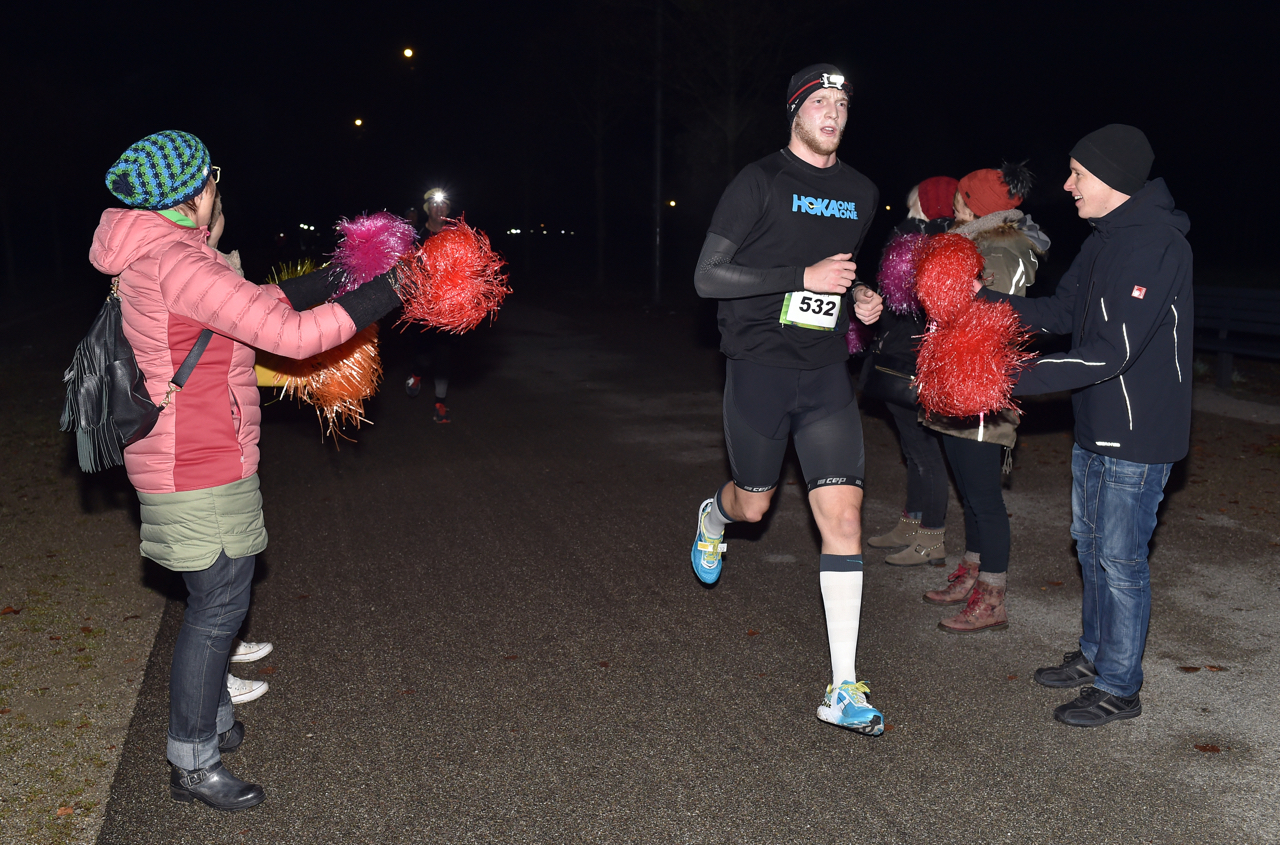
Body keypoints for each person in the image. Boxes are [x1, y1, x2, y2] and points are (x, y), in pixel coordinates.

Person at [92, 131, 403, 809]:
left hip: (199, 452)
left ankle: (212, 722)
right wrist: (398, 289)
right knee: (217, 608)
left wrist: (348, 279)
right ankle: (192, 760)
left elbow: (258, 304)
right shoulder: (179, 261)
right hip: (195, 461)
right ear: (196, 189)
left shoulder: (164, 250)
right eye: (213, 178)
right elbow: (293, 337)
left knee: (219, 597)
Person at [690, 64, 886, 735]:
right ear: (795, 111)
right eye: (819, 102)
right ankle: (714, 518)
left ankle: (843, 684)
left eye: (842, 104)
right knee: (756, 503)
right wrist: (799, 277)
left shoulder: (861, 192)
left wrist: (856, 297)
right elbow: (707, 277)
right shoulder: (759, 182)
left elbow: (837, 277)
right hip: (758, 368)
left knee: (846, 519)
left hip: (827, 371)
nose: (832, 113)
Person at [977, 125, 1192, 726]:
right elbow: (1062, 312)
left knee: (1121, 560)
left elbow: (1109, 351)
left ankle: (1120, 687)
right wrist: (984, 303)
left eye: (1078, 174)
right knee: (1092, 547)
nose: (1067, 185)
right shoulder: (1103, 239)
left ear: (1115, 181)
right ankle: (1098, 657)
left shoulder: (1156, 246)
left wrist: (1005, 377)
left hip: (1139, 433)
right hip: (1096, 422)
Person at [920, 163, 1049, 633]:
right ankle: (972, 574)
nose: (953, 205)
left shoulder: (1006, 246)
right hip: (954, 382)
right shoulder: (971, 240)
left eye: (961, 197)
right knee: (970, 497)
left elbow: (997, 315)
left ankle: (993, 597)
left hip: (982, 385)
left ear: (978, 204)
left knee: (985, 499)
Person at [865, 176, 957, 565]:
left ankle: (931, 536)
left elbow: (911, 310)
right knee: (914, 448)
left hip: (915, 360)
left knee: (925, 451)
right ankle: (912, 522)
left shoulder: (922, 245)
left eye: (913, 203)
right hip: (907, 356)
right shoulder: (928, 242)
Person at [404, 188, 455, 423]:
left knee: (444, 354)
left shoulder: (457, 235)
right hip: (422, 306)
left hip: (448, 307)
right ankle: (416, 375)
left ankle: (440, 404)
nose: (440, 208)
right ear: (428, 209)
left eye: (444, 204)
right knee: (424, 356)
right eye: (435, 205)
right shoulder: (418, 235)